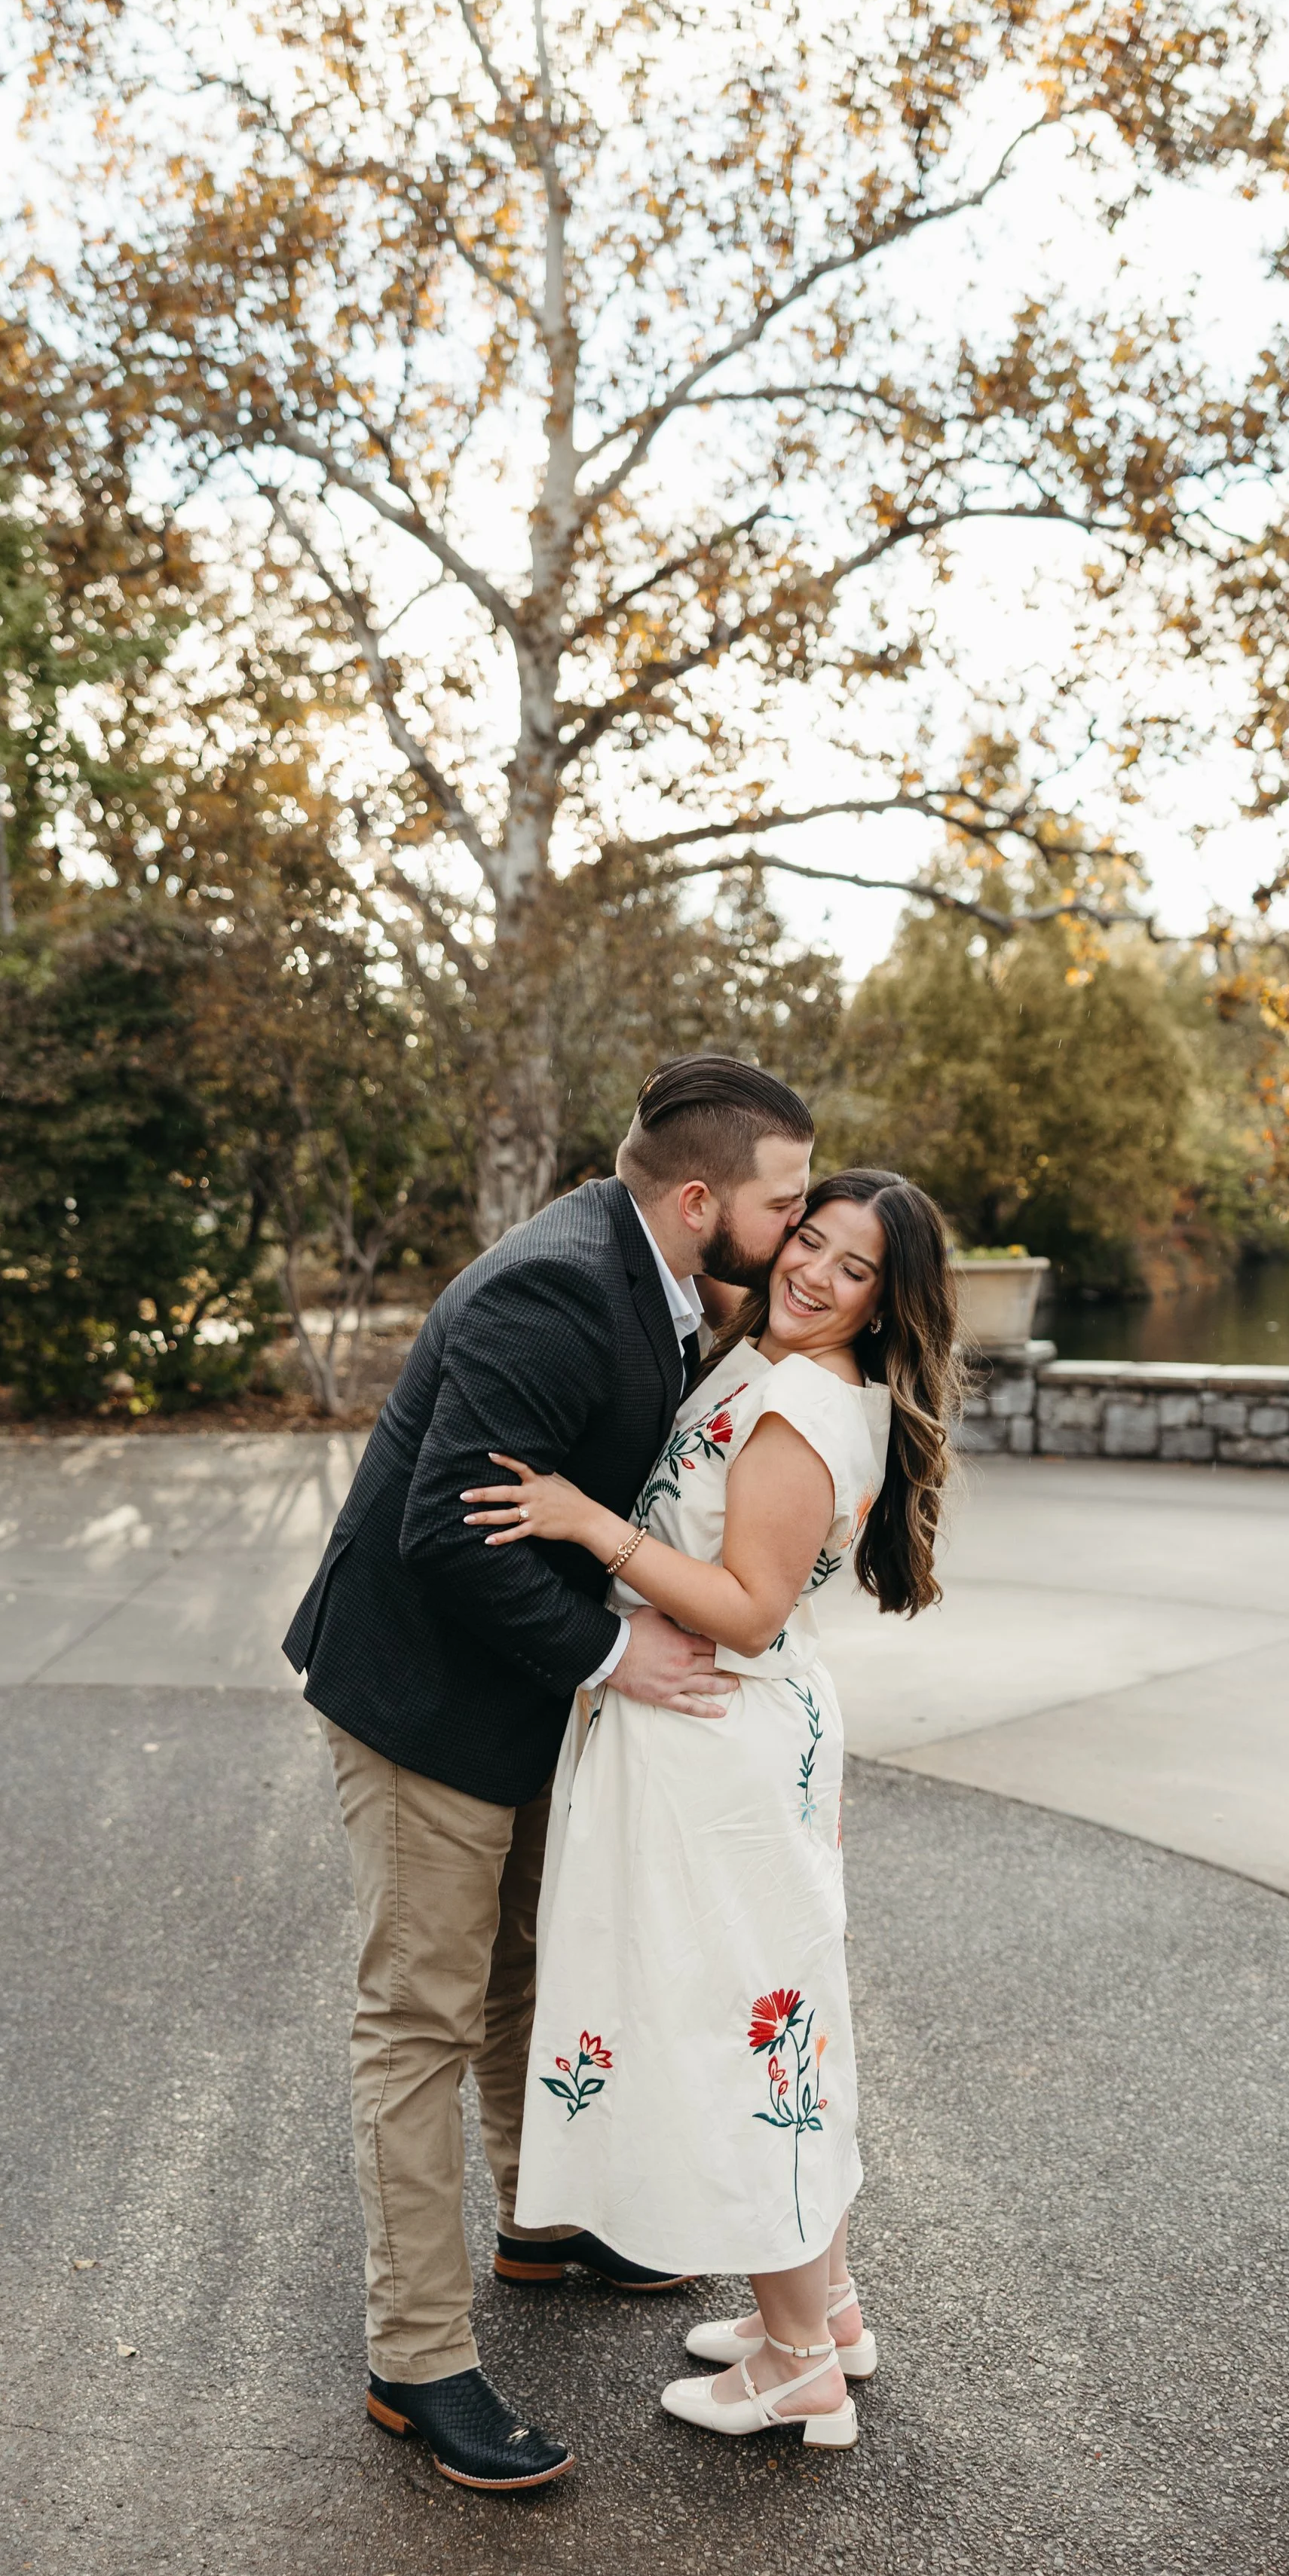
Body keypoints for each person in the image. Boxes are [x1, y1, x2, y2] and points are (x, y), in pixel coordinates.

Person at [283, 1055, 818, 2491]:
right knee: (420, 2018)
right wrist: (611, 1655)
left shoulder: (657, 1270)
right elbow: (450, 1538)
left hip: (516, 1694)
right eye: (787, 1200)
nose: (803, 1221)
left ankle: (539, 2219)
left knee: (527, 1963)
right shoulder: (559, 1286)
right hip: (424, 1707)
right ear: (700, 1200)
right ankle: (419, 2363)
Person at [464, 1170, 958, 2452]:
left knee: (736, 2031)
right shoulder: (783, 1364)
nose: (814, 1271)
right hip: (727, 1729)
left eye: (855, 1267)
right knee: (778, 2022)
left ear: (884, 1299)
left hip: (714, 1729)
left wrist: (587, 1526)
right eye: (810, 1235)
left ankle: (798, 2361)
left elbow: (745, 1606)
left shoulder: (798, 1403)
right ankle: (826, 2308)